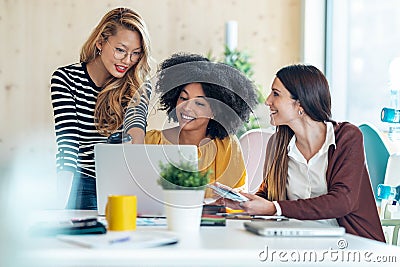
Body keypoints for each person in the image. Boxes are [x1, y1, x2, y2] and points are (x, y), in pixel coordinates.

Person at [222, 64, 385, 242]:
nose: (267, 101)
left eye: (276, 94)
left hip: (352, 246)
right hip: (298, 244)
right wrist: (241, 203)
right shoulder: (278, 145)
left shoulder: (347, 137)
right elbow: (268, 197)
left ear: (300, 103)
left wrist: (275, 208)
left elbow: (343, 201)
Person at [50, 7, 152, 210]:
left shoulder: (138, 86)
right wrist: (57, 208)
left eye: (135, 54)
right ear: (100, 42)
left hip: (123, 184)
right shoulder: (66, 79)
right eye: (121, 50)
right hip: (81, 182)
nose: (127, 61)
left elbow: (136, 133)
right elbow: (68, 147)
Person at [145, 53, 258, 198]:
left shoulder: (226, 145)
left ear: (215, 112)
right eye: (183, 98)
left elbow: (236, 198)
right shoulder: (151, 140)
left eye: (199, 103)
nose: (186, 108)